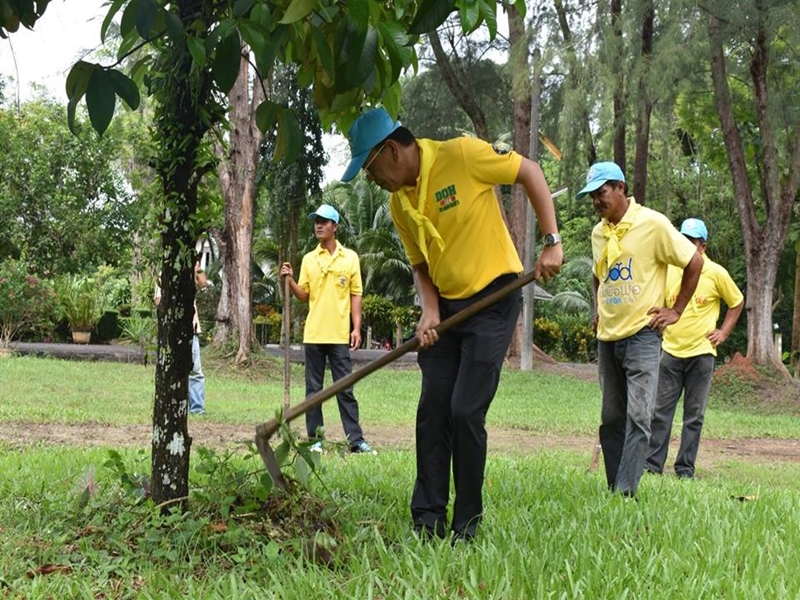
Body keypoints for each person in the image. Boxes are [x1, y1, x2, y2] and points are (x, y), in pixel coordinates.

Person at [341, 107, 563, 542]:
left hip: (493, 299)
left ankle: (467, 523)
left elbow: (530, 172)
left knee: (465, 410)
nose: (371, 179)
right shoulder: (399, 203)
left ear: (392, 151)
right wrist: (429, 310)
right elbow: (420, 265)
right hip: (445, 310)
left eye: (370, 168)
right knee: (433, 409)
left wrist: (552, 241)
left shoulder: (460, 154)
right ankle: (427, 519)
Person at [581, 161, 703, 497]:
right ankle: (614, 486)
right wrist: (597, 309)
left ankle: (625, 492)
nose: (596, 201)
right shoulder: (598, 233)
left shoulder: (653, 224)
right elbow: (598, 273)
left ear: (620, 188)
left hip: (643, 335)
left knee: (638, 416)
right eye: (592, 196)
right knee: (611, 418)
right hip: (608, 338)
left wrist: (676, 310)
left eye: (601, 193)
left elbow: (694, 261)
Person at [645, 218, 744, 479]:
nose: (687, 245)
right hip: (670, 352)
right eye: (683, 240)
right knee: (660, 412)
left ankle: (685, 468)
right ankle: (652, 465)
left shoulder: (715, 273)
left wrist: (723, 332)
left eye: (692, 242)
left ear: (703, 246)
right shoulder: (670, 269)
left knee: (694, 415)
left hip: (701, 354)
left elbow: (736, 302)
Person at [280, 203, 373, 454]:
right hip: (314, 334)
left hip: (339, 335)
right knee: (314, 390)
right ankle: (315, 440)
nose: (318, 226)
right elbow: (303, 295)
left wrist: (356, 328)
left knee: (345, 388)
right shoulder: (309, 259)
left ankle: (356, 441)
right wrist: (289, 280)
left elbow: (356, 294)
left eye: (323, 221)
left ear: (335, 226)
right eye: (316, 221)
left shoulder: (350, 257)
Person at [153, 263, 207, 415]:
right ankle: (172, 406)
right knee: (172, 370)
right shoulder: (165, 273)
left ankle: (197, 408)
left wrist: (196, 268)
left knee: (195, 371)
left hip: (192, 328)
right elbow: (157, 300)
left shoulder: (192, 273)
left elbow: (203, 283)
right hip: (172, 330)